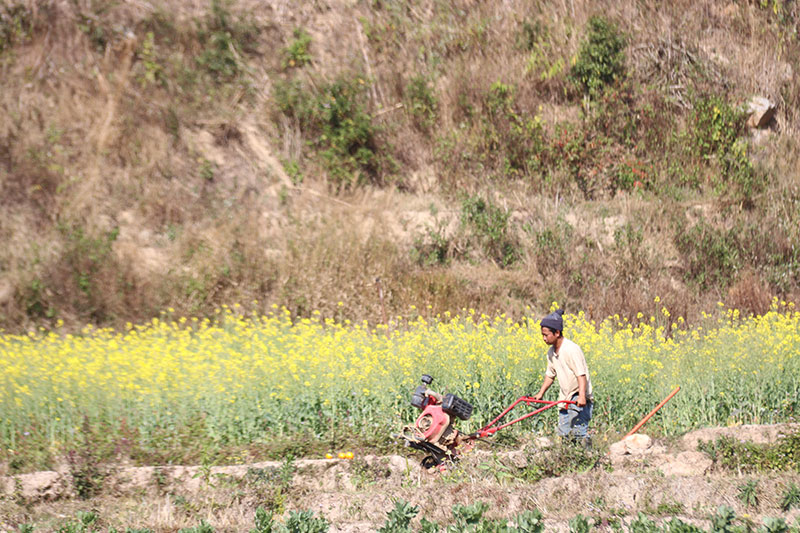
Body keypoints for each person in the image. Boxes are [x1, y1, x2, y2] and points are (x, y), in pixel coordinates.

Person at [531, 308, 593, 447]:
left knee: (579, 434)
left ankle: (588, 459)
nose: (544, 338)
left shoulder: (571, 349)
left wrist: (582, 396)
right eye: (542, 335)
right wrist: (540, 394)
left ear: (557, 333)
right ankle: (568, 462)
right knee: (564, 435)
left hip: (578, 397)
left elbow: (580, 374)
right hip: (564, 398)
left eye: (546, 335)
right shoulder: (551, 352)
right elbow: (550, 375)